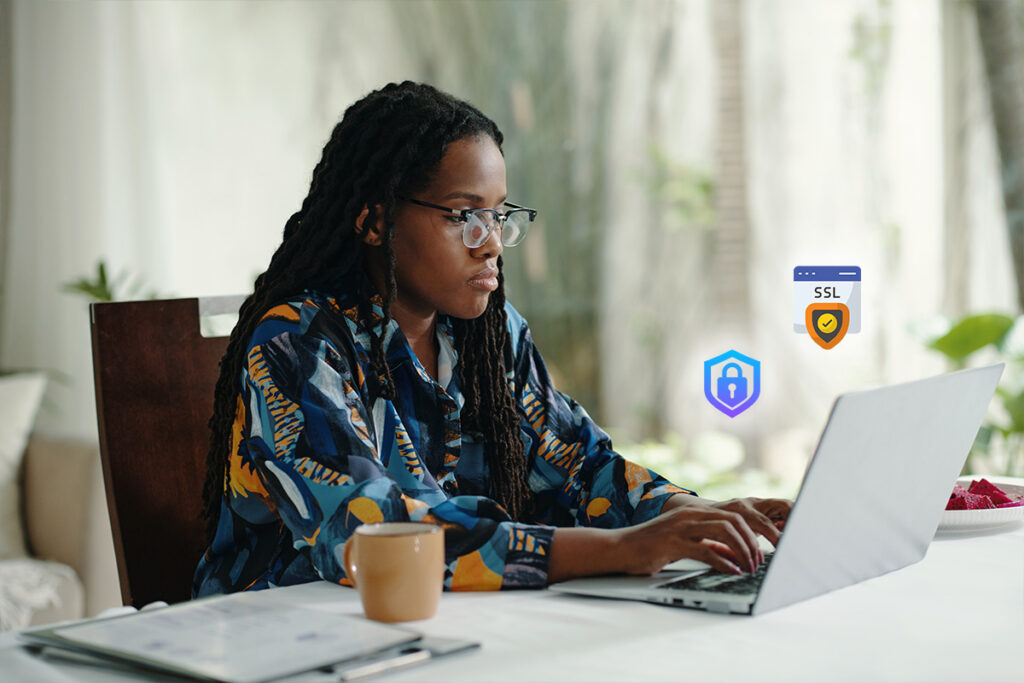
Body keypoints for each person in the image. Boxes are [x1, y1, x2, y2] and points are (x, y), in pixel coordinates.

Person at [194, 81, 791, 597]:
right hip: (287, 633)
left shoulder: (490, 336)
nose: (490, 242)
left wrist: (702, 514)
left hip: (440, 625)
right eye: (463, 214)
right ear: (375, 220)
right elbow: (373, 535)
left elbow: (583, 466)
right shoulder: (297, 343)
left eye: (500, 215)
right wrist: (623, 550)